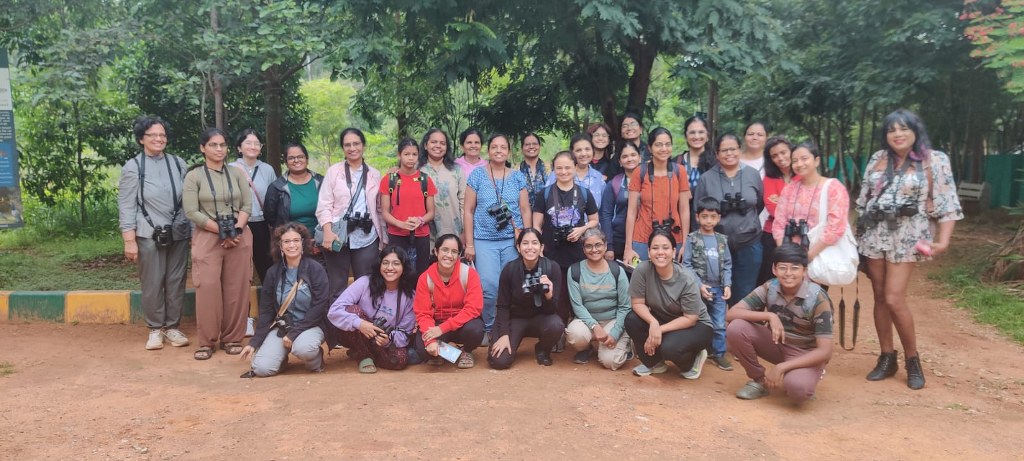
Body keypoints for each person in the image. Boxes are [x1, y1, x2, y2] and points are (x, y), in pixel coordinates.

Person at [855, 109, 963, 390]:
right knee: (879, 296)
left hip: (908, 235)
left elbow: (947, 203)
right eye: (891, 130)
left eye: (903, 128)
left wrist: (943, 240)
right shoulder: (878, 159)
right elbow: (863, 200)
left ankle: (912, 359)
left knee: (894, 297)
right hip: (875, 234)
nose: (897, 134)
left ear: (916, 131)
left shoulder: (933, 160)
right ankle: (886, 357)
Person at [118, 115, 191, 350]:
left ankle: (172, 327)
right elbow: (127, 204)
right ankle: (155, 329)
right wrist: (129, 240)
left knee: (175, 280)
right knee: (152, 282)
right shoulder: (133, 167)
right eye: (153, 135)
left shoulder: (178, 163)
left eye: (162, 135)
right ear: (142, 139)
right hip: (148, 232)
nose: (159, 139)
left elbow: (188, 199)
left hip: (177, 231)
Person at [726, 243, 834, 402]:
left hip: (806, 353)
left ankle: (804, 377)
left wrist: (781, 367)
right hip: (777, 344)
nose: (788, 273)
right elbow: (731, 313)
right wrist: (770, 316)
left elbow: (825, 352)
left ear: (804, 271)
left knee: (799, 390)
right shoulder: (770, 287)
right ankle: (759, 381)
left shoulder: (818, 298)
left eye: (795, 268)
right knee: (736, 327)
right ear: (774, 269)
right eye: (783, 268)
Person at [183, 127, 253, 360]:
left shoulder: (236, 173)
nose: (219, 149)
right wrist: (221, 231)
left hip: (239, 235)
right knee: (208, 287)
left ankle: (233, 338)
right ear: (203, 148)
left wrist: (237, 229)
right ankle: (207, 341)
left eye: (222, 145)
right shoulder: (194, 176)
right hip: (208, 235)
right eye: (213, 145)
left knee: (237, 288)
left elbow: (246, 206)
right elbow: (192, 211)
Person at [464, 133, 533, 340]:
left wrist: (527, 241)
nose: (499, 151)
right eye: (494, 147)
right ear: (488, 150)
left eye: (503, 147)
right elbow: (468, 210)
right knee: (489, 286)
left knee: (512, 284)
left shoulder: (517, 176)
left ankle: (508, 328)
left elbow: (525, 209)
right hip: (484, 240)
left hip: (512, 240)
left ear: (509, 152)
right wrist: (469, 244)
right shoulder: (477, 175)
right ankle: (489, 327)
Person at [242, 223, 332, 376]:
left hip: (311, 325)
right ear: (280, 246)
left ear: (303, 243)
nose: (292, 245)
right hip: (283, 327)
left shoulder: (315, 269)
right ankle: (280, 359)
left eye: (296, 241)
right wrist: (254, 343)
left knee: (303, 348)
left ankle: (316, 360)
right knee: (262, 369)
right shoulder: (273, 273)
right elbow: (266, 312)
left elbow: (319, 307)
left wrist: (294, 334)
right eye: (287, 241)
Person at [625, 229, 714, 379]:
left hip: (696, 325)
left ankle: (693, 360)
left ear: (673, 252)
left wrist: (659, 329)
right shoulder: (642, 270)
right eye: (655, 248)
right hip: (663, 318)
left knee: (669, 347)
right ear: (648, 251)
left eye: (665, 248)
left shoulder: (686, 278)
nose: (660, 252)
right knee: (632, 320)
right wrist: (653, 323)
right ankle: (654, 363)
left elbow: (690, 318)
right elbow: (637, 303)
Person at [693, 134, 764, 304]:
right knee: (715, 293)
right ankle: (717, 329)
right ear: (716, 154)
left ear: (740, 150)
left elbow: (759, 204)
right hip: (716, 245)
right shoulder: (706, 179)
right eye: (724, 150)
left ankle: (739, 329)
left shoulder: (753, 174)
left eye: (733, 149)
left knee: (746, 293)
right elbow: (697, 210)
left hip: (749, 243)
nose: (729, 153)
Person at [316, 128, 386, 298]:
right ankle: (337, 323)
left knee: (366, 283)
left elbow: (379, 209)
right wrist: (327, 231)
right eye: (347, 145)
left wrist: (384, 237)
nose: (352, 148)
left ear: (363, 146)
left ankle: (365, 323)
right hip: (337, 234)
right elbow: (324, 204)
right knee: (337, 283)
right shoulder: (334, 172)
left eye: (356, 143)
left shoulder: (374, 174)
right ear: (343, 148)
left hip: (366, 236)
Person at [533, 150, 600, 324]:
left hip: (577, 253)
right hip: (551, 253)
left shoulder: (584, 193)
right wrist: (538, 249)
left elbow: (594, 220)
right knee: (557, 294)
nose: (563, 172)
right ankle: (559, 331)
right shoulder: (544, 194)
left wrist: (581, 229)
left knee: (577, 293)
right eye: (559, 168)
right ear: (553, 170)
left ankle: (579, 329)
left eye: (568, 168)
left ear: (576, 168)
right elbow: (536, 226)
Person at [327, 246, 417, 373]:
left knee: (400, 359)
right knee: (354, 311)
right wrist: (360, 324)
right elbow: (334, 311)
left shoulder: (410, 296)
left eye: (396, 263)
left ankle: (363, 351)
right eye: (385, 263)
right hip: (356, 332)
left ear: (404, 268)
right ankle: (364, 356)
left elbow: (405, 333)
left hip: (381, 338)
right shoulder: (364, 283)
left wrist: (388, 339)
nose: (390, 268)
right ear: (379, 265)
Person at [488, 228, 564, 369]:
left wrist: (548, 295)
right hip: (515, 319)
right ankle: (504, 339)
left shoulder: (552, 268)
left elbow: (553, 309)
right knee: (499, 361)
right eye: (525, 243)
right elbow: (502, 306)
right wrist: (504, 334)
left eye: (535, 243)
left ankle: (543, 349)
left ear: (541, 247)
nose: (530, 248)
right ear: (518, 247)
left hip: (541, 318)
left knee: (556, 325)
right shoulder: (510, 269)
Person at [773, 142, 850, 271]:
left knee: (814, 291)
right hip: (790, 258)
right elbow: (779, 223)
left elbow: (836, 227)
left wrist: (808, 257)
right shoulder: (789, 189)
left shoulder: (834, 188)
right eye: (795, 161)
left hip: (820, 254)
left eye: (804, 159)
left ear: (816, 161)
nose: (799, 164)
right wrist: (785, 255)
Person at [412, 234, 485, 368]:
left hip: (462, 324)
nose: (449, 255)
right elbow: (423, 314)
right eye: (445, 250)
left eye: (454, 252)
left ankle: (466, 351)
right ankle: (448, 351)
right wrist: (431, 341)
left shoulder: (469, 274)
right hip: (436, 324)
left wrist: (442, 328)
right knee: (423, 350)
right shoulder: (425, 278)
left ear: (459, 255)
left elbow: (473, 308)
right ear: (436, 251)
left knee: (475, 330)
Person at [622, 128, 691, 264]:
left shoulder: (680, 171)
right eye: (658, 144)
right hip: (642, 239)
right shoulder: (639, 172)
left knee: (671, 283)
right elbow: (631, 212)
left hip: (673, 238)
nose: (664, 148)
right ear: (650, 147)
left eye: (667, 144)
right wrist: (628, 247)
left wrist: (685, 244)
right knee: (642, 282)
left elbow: (684, 210)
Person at [565, 228, 631, 370]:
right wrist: (595, 326)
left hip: (613, 320)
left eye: (598, 245)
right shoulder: (575, 271)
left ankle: (623, 343)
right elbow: (577, 305)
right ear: (583, 249)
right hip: (587, 321)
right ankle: (586, 348)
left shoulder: (617, 271)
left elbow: (625, 306)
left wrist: (614, 333)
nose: (594, 250)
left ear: (605, 246)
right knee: (575, 334)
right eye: (589, 246)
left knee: (610, 362)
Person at [683, 197, 733, 371]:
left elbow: (727, 264)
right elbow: (686, 264)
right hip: (699, 290)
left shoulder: (722, 240)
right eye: (704, 216)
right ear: (697, 217)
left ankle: (719, 354)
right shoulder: (692, 239)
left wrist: (727, 284)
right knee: (697, 322)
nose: (708, 220)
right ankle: (696, 352)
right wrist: (698, 285)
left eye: (712, 217)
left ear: (718, 218)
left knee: (719, 324)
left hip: (718, 289)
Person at [381, 138, 436, 276]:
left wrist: (420, 221)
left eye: (414, 154)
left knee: (421, 273)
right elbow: (385, 213)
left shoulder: (425, 179)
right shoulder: (389, 179)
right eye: (406, 154)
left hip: (421, 234)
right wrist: (402, 224)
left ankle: (420, 298)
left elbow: (431, 212)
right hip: (397, 234)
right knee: (398, 273)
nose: (411, 158)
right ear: (399, 155)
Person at [230, 129, 277, 283]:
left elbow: (273, 198)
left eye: (257, 143)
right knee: (239, 267)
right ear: (239, 147)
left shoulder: (267, 169)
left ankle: (271, 303)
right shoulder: (229, 169)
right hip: (237, 224)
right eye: (248, 143)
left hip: (261, 224)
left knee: (266, 266)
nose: (253, 146)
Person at [758, 136, 798, 285]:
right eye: (774, 155)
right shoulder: (769, 179)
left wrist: (782, 202)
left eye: (783, 152)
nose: (780, 158)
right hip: (772, 235)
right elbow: (773, 209)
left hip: (803, 235)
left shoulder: (803, 175)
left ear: (791, 151)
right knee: (770, 281)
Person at [264, 143, 324, 235]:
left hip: (321, 240)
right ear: (286, 162)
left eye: (300, 157)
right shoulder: (276, 187)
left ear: (307, 159)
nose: (296, 160)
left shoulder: (322, 182)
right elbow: (270, 217)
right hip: (290, 242)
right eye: (291, 158)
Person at [419, 128, 464, 245]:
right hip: (424, 232)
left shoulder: (456, 170)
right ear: (425, 145)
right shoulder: (417, 170)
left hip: (454, 230)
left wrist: (464, 232)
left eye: (442, 143)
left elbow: (464, 202)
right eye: (434, 142)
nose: (438, 146)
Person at [599, 141, 642, 261]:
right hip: (619, 241)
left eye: (633, 155)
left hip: (644, 239)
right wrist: (610, 247)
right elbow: (606, 215)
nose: (629, 159)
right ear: (620, 162)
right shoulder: (614, 184)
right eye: (625, 156)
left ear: (640, 158)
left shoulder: (650, 182)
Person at [547, 133, 606, 208]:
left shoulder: (598, 178)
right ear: (572, 153)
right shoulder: (557, 175)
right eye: (578, 150)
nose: (583, 154)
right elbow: (545, 204)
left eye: (587, 149)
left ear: (593, 151)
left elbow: (605, 211)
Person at [519, 132, 547, 207]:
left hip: (546, 214)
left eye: (535, 144)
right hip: (522, 215)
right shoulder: (516, 171)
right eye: (527, 144)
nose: (531, 147)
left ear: (539, 146)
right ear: (522, 148)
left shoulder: (549, 169)